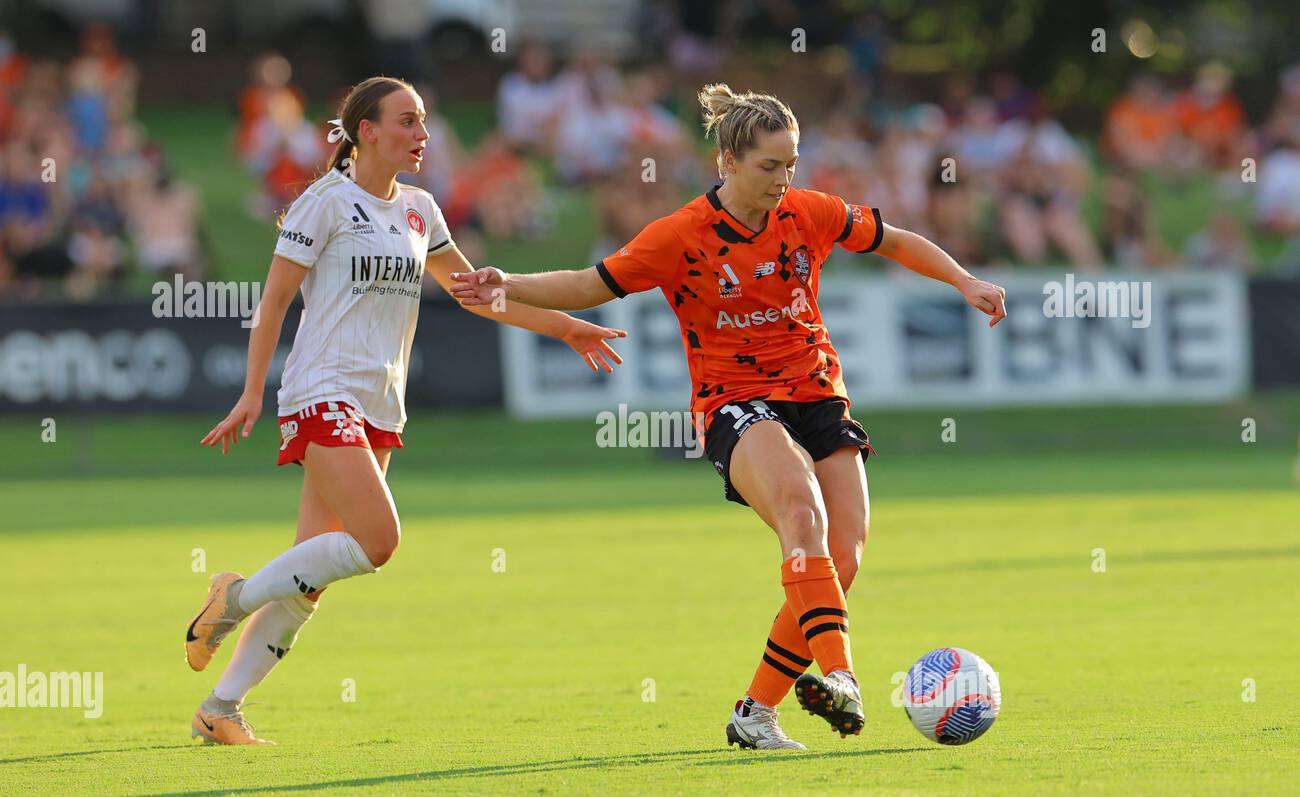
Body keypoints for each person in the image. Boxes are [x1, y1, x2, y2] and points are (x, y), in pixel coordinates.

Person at [450, 83, 1006, 749]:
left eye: (791, 164)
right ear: (728, 162)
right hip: (736, 404)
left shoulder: (811, 212)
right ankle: (844, 679)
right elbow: (592, 282)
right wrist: (506, 282)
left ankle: (755, 714)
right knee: (801, 512)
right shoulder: (681, 235)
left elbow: (894, 240)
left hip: (820, 394)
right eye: (769, 166)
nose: (783, 180)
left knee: (844, 556)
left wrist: (963, 280)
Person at [187, 76, 626, 745]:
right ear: (365, 130)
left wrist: (565, 326)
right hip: (322, 392)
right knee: (379, 542)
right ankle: (233, 597)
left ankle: (220, 708)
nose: (422, 135)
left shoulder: (421, 209)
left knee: (309, 578)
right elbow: (274, 300)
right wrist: (253, 392)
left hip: (380, 404)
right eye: (408, 122)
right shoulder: (325, 203)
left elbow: (476, 294)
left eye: (423, 122)